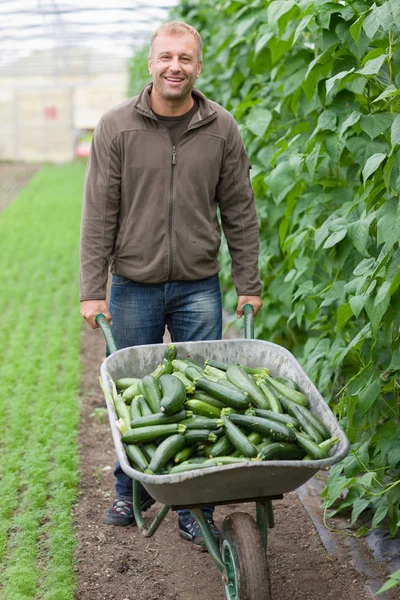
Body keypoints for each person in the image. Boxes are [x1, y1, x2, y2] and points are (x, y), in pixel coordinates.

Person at [79, 21, 262, 549]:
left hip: (198, 284)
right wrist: (93, 289)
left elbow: (240, 212)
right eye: (166, 57)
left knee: (202, 393)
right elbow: (99, 216)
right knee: (131, 396)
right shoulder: (116, 128)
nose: (174, 66)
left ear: (198, 67)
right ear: (152, 63)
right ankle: (128, 490)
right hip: (132, 283)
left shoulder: (222, 128)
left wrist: (247, 281)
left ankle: (195, 505)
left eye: (185, 58)